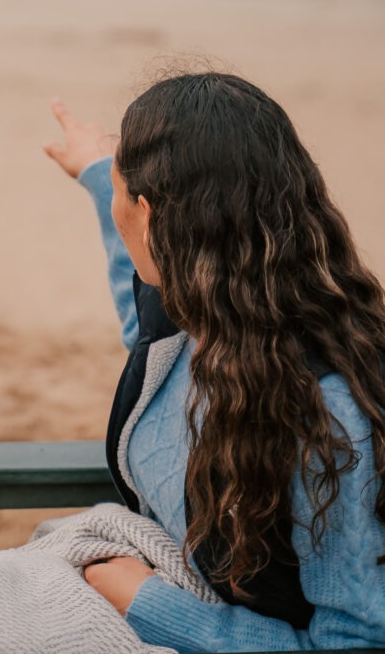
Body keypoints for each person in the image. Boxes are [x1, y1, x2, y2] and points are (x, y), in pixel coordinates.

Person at [43, 72, 385, 651]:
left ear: (149, 218)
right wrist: (101, 177)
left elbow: (355, 644)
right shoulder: (198, 321)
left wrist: (148, 602)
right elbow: (145, 322)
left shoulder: (330, 419)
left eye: (123, 191)